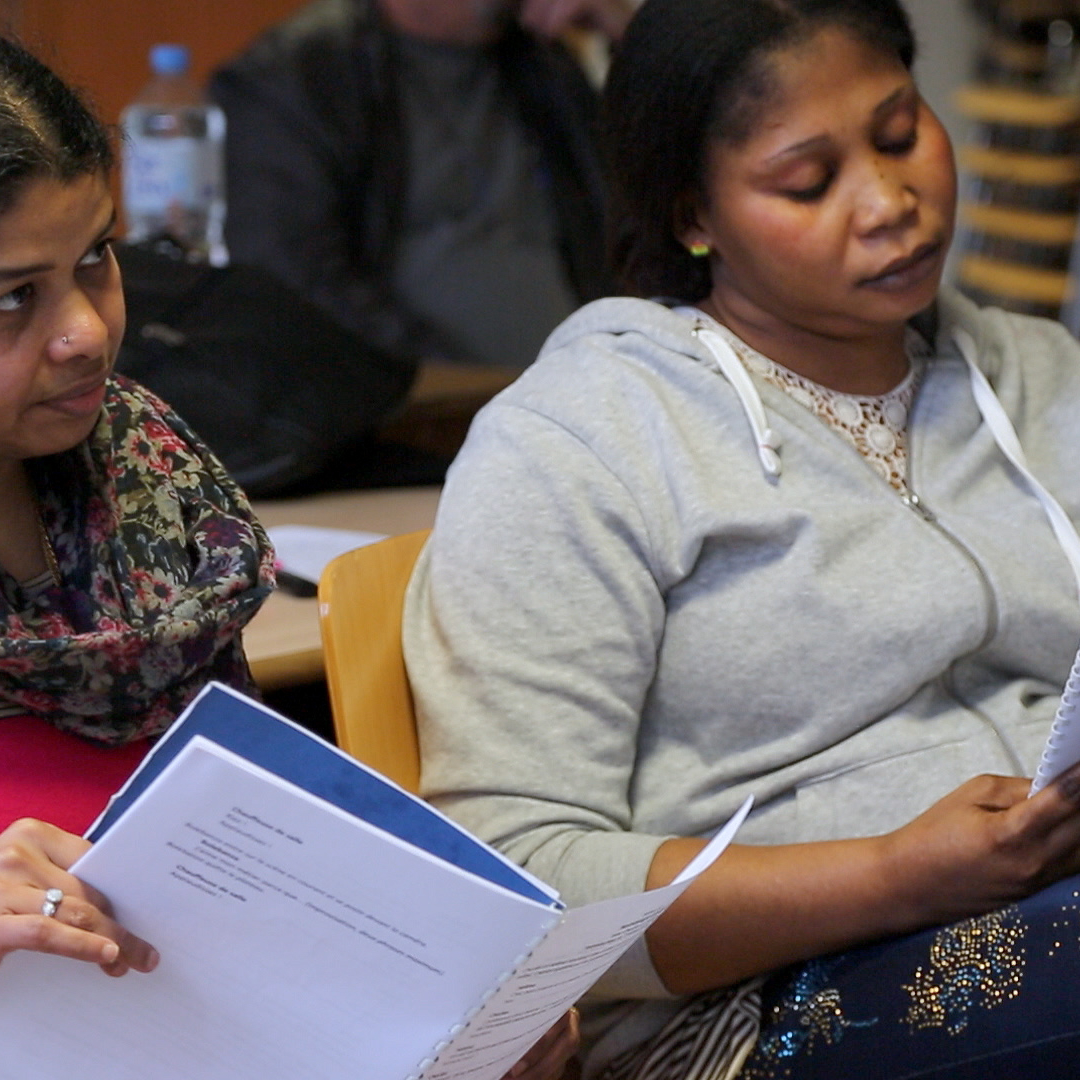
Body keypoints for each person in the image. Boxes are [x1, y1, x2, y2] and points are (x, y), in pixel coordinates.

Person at [401, 0, 1080, 1076]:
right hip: (754, 1010)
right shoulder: (582, 438)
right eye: (808, 182)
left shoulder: (1037, 375)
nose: (889, 202)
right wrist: (897, 874)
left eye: (900, 132)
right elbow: (518, 883)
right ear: (694, 216)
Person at [0, 38, 578, 1080]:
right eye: (12, 298)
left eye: (94, 257)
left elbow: (252, 857)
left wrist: (448, 1000)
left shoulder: (140, 477)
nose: (85, 331)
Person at [208, 0, 630, 381]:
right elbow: (294, 288)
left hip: (588, 397)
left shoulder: (542, 60)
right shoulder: (297, 75)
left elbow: (647, 220)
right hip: (420, 414)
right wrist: (468, 387)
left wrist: (634, 36)